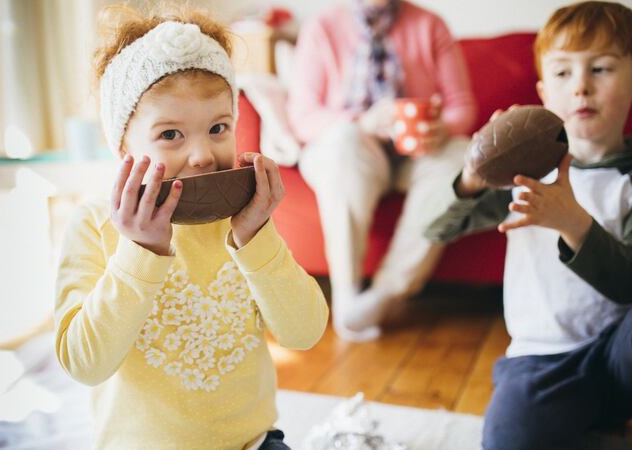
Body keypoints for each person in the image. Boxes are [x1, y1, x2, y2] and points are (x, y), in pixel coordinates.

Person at [53, 5, 328, 449]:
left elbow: (305, 332)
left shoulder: (242, 222)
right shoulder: (93, 225)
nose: (201, 154)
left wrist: (256, 238)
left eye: (218, 127)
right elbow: (85, 364)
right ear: (123, 145)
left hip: (252, 442)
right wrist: (138, 251)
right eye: (170, 135)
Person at [425, 2, 632, 448]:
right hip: (541, 362)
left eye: (600, 68)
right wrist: (471, 180)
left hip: (620, 356)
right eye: (562, 74)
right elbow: (437, 230)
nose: (580, 87)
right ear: (543, 92)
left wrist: (574, 223)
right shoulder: (523, 173)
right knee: (506, 440)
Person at [287, 0, 477, 341]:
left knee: (462, 154)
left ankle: (386, 294)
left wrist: (441, 129)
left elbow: (461, 107)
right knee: (344, 140)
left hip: (415, 155)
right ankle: (347, 293)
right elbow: (302, 116)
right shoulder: (321, 28)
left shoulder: (431, 25)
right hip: (346, 153)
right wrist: (361, 122)